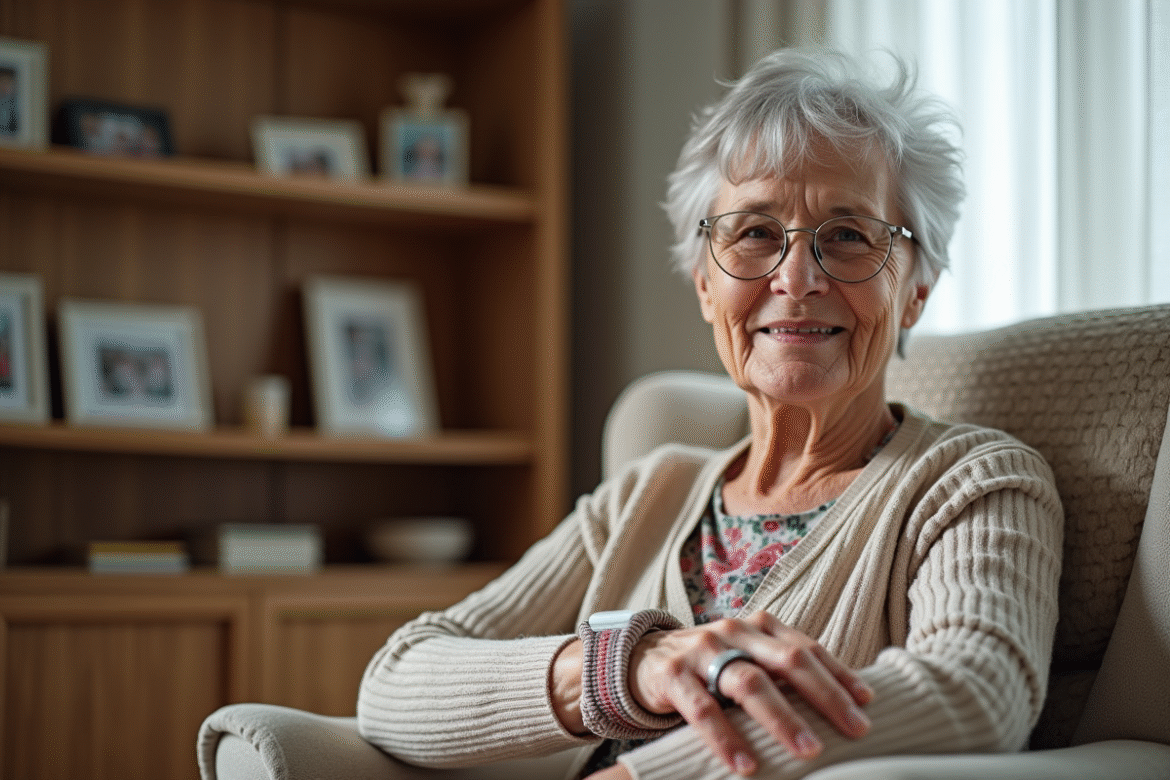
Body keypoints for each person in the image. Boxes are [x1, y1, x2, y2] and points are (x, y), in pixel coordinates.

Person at [356, 49, 1063, 780]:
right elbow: (395, 681)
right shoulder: (647, 495)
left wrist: (640, 778)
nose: (796, 278)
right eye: (755, 232)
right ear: (703, 283)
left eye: (849, 235)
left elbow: (977, 692)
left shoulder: (973, 483)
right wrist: (624, 672)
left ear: (916, 287)